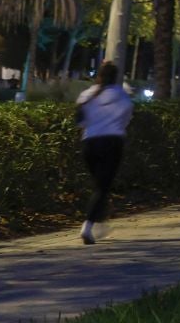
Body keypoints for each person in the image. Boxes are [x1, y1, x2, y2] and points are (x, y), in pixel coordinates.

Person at [75, 61, 134, 244]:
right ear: (116, 77)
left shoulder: (86, 95)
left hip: (89, 143)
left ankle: (99, 224)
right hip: (112, 143)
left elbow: (79, 122)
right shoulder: (123, 97)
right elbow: (126, 121)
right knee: (102, 188)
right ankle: (88, 225)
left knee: (98, 187)